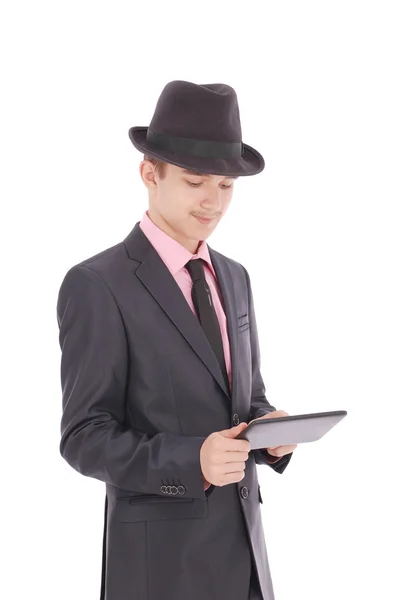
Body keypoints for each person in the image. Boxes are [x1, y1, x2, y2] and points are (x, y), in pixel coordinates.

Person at [56, 80, 297, 600]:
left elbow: (244, 399)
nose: (214, 202)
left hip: (247, 559)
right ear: (149, 173)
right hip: (159, 571)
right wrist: (192, 461)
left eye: (227, 186)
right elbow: (83, 436)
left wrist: (270, 433)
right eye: (195, 182)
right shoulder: (98, 284)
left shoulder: (234, 277)